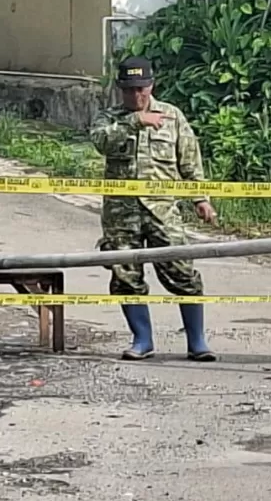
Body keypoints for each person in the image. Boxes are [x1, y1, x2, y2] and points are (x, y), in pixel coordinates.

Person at [89, 56, 218, 362]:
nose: (136, 96)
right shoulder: (110, 118)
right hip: (122, 215)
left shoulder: (172, 116)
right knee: (126, 277)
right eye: (130, 90)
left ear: (152, 86)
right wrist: (135, 122)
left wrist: (201, 199)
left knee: (183, 273)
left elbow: (189, 160)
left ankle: (197, 342)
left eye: (142, 89)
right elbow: (100, 142)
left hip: (163, 212)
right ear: (121, 90)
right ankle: (142, 339)